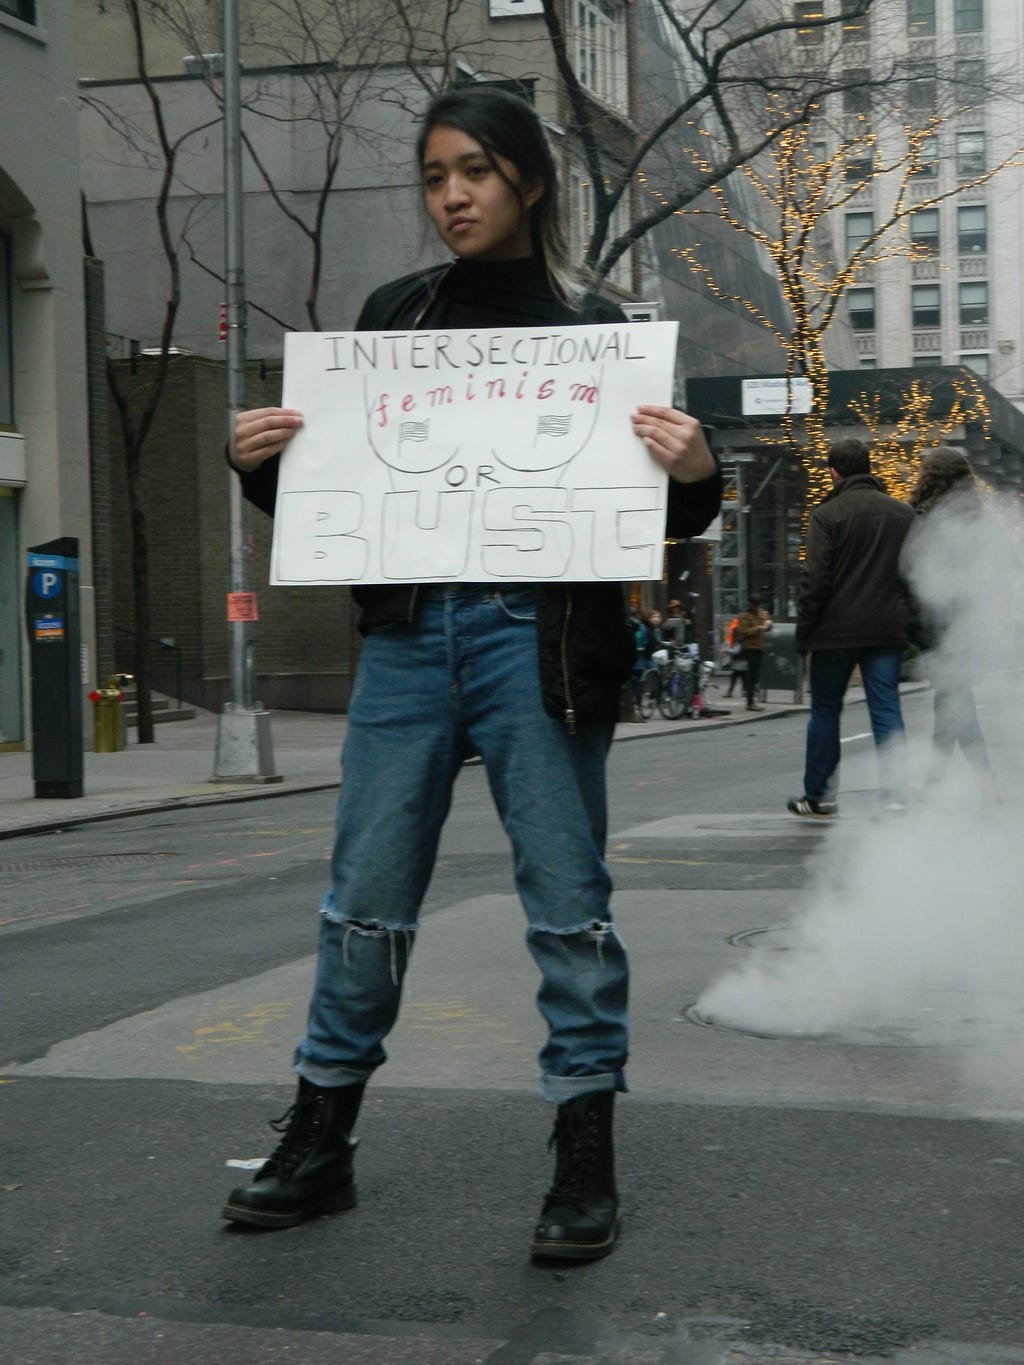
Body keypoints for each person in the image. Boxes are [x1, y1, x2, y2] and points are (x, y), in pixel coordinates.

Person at [220, 85, 721, 1260]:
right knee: (364, 902)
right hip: (405, 639)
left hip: (538, 648)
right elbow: (341, 498)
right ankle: (321, 1137)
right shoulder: (388, 319)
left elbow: (663, 509)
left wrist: (695, 473)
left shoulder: (595, 327)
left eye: (478, 172)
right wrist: (264, 469)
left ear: (530, 182)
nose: (453, 194)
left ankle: (583, 1152)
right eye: (437, 174)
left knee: (567, 908)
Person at [789, 437, 915, 819]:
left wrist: (804, 631)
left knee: (826, 710)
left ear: (833, 472)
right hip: (886, 631)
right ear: (870, 468)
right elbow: (916, 575)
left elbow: (815, 580)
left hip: (834, 633)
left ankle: (821, 796)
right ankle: (896, 797)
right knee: (886, 709)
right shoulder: (904, 515)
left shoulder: (826, 516)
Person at [904, 446, 997, 800]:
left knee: (955, 703)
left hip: (938, 622)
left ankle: (975, 785)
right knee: (953, 702)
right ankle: (945, 783)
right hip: (967, 621)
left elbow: (919, 573)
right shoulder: (975, 514)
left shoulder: (927, 516)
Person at [734, 594, 772, 711]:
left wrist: (769, 625)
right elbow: (743, 632)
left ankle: (751, 700)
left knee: (755, 676)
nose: (756, 607)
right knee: (751, 675)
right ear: (750, 604)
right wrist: (759, 628)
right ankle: (750, 702)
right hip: (750, 648)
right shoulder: (744, 615)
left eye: (757, 605)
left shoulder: (762, 613)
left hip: (759, 647)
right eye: (754, 605)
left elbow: (767, 625)